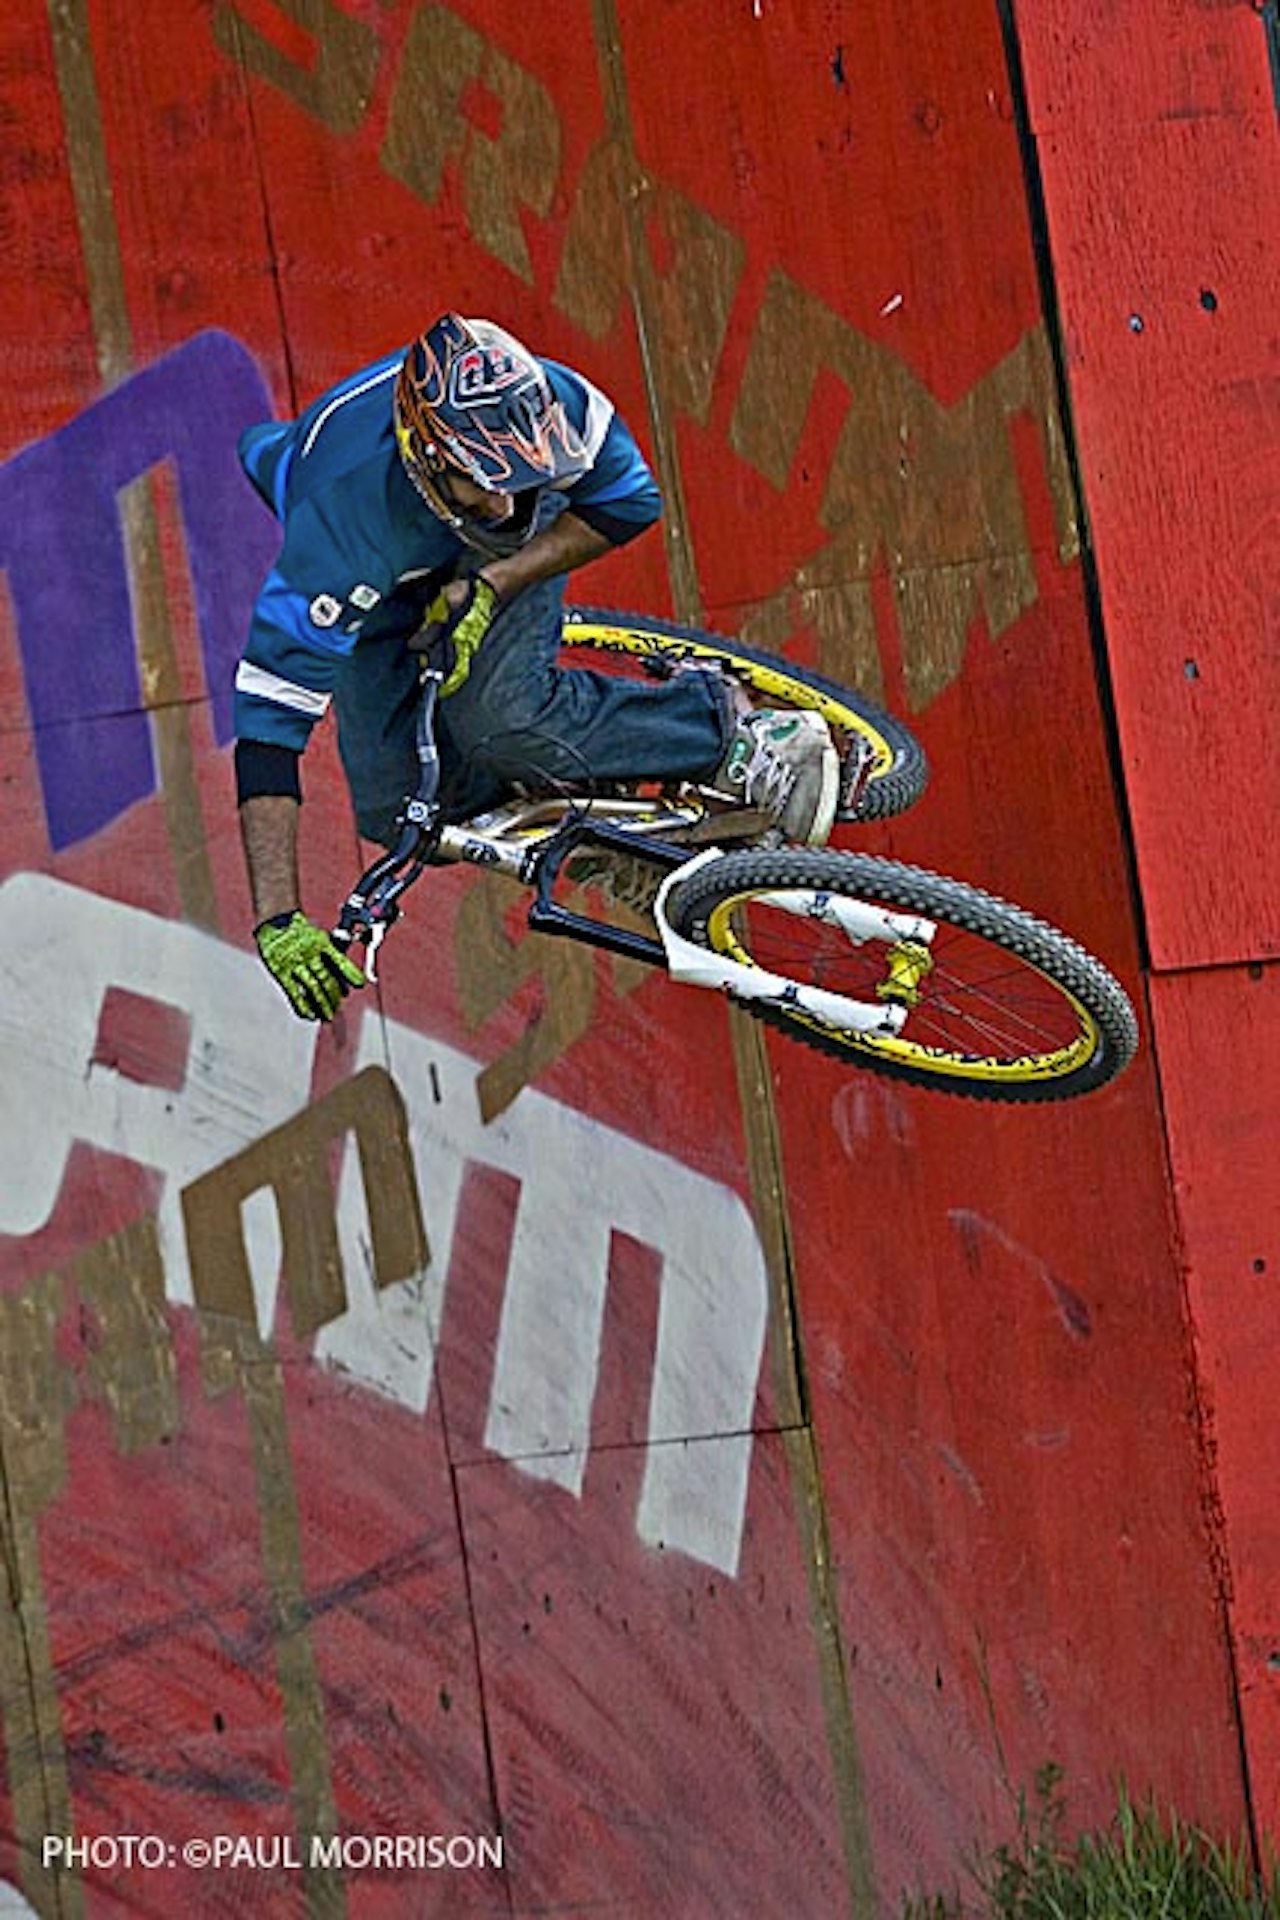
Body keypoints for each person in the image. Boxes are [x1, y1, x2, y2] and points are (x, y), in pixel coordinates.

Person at [234, 312, 838, 1021]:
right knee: (399, 811)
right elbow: (268, 740)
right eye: (485, 484)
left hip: (462, 542)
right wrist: (277, 919)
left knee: (500, 712)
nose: (505, 502)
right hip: (379, 552)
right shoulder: (335, 533)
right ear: (427, 457)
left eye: (516, 479)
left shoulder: (555, 410)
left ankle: (733, 735)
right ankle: (599, 829)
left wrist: (494, 583)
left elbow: (626, 503)